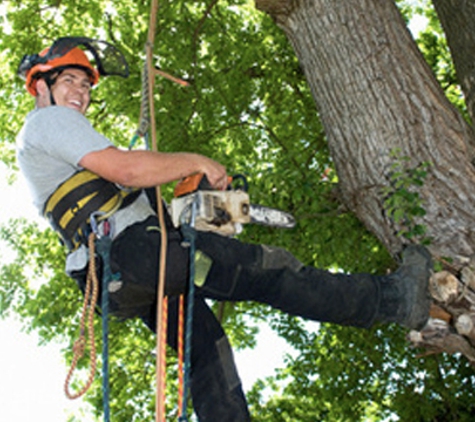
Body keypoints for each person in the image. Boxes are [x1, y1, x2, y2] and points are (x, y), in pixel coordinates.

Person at [16, 38, 432, 422]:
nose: (80, 92)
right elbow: (128, 169)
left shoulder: (65, 150)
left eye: (86, 86)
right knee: (272, 272)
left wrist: (221, 212)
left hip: (131, 278)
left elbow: (150, 209)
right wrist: (198, 162)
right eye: (69, 80)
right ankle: (394, 300)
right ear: (41, 87)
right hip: (142, 257)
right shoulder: (49, 123)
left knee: (208, 355)